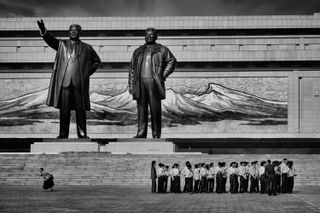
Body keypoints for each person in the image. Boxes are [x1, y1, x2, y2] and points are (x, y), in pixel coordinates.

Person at [37, 20, 101, 138]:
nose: (73, 32)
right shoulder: (62, 45)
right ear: (68, 32)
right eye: (71, 30)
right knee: (64, 110)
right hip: (65, 83)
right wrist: (44, 31)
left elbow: (97, 61)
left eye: (76, 30)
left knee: (80, 110)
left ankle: (82, 134)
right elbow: (51, 41)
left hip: (79, 83)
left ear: (80, 32)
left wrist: (86, 72)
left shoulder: (87, 48)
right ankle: (63, 134)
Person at [129, 27, 177, 138]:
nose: (149, 37)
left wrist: (163, 75)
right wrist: (131, 85)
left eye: (151, 35)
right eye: (147, 35)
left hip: (154, 82)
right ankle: (141, 133)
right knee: (141, 109)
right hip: (140, 83)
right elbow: (132, 68)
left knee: (155, 109)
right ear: (144, 36)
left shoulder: (162, 50)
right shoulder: (138, 51)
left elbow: (172, 61)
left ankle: (156, 134)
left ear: (156, 36)